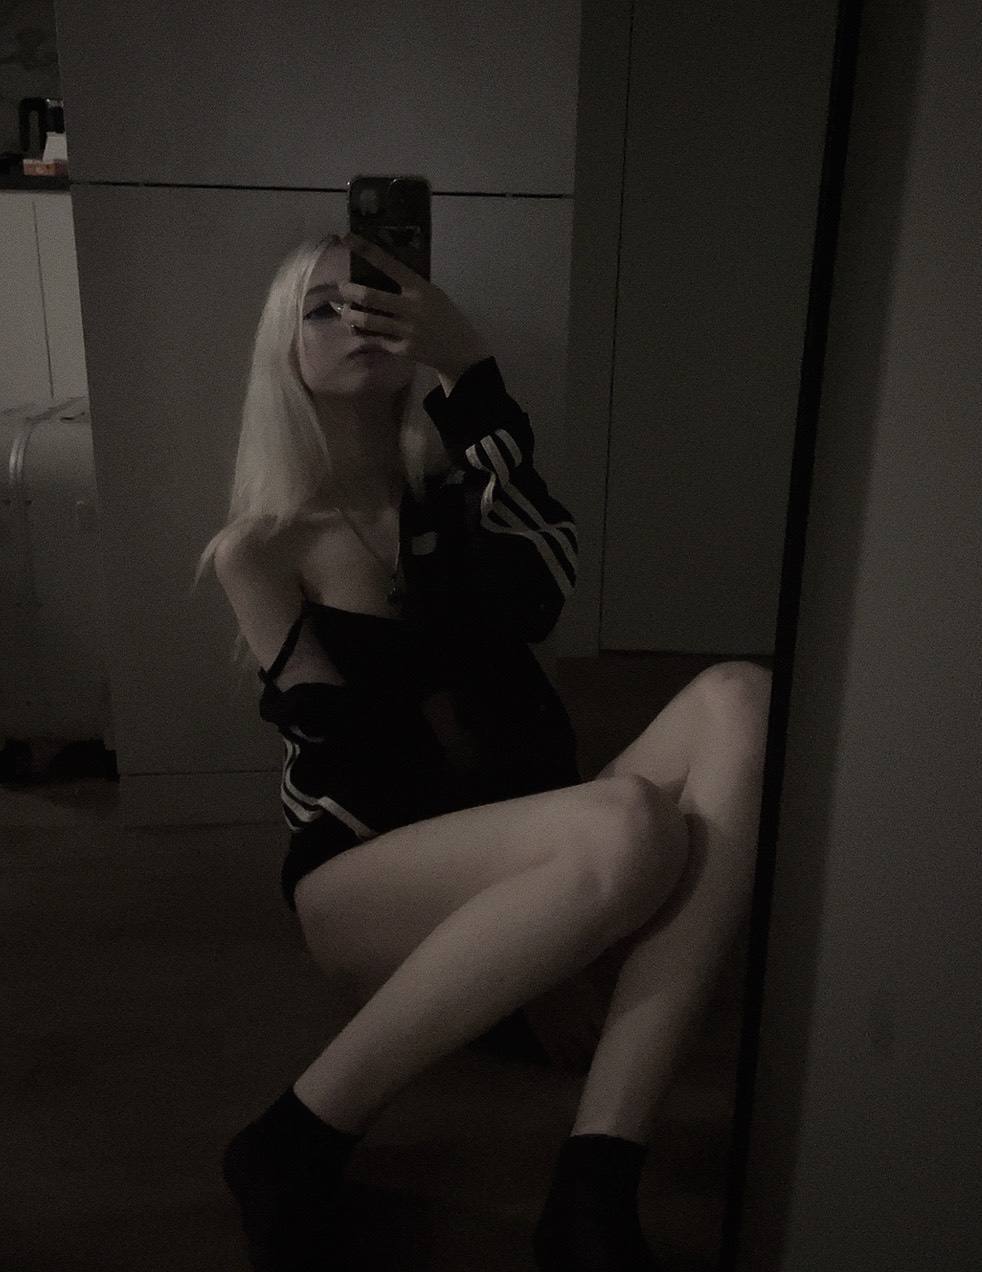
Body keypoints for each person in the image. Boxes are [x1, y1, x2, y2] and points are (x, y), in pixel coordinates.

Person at [195, 230, 772, 1271]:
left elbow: (540, 598)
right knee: (624, 825)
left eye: (375, 297)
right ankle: (294, 1137)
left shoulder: (463, 486)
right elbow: (365, 764)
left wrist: (468, 375)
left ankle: (596, 1180)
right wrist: (553, 931)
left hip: (544, 846)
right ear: (284, 353)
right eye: (320, 308)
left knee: (743, 695)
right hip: (364, 873)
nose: (353, 319)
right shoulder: (261, 549)